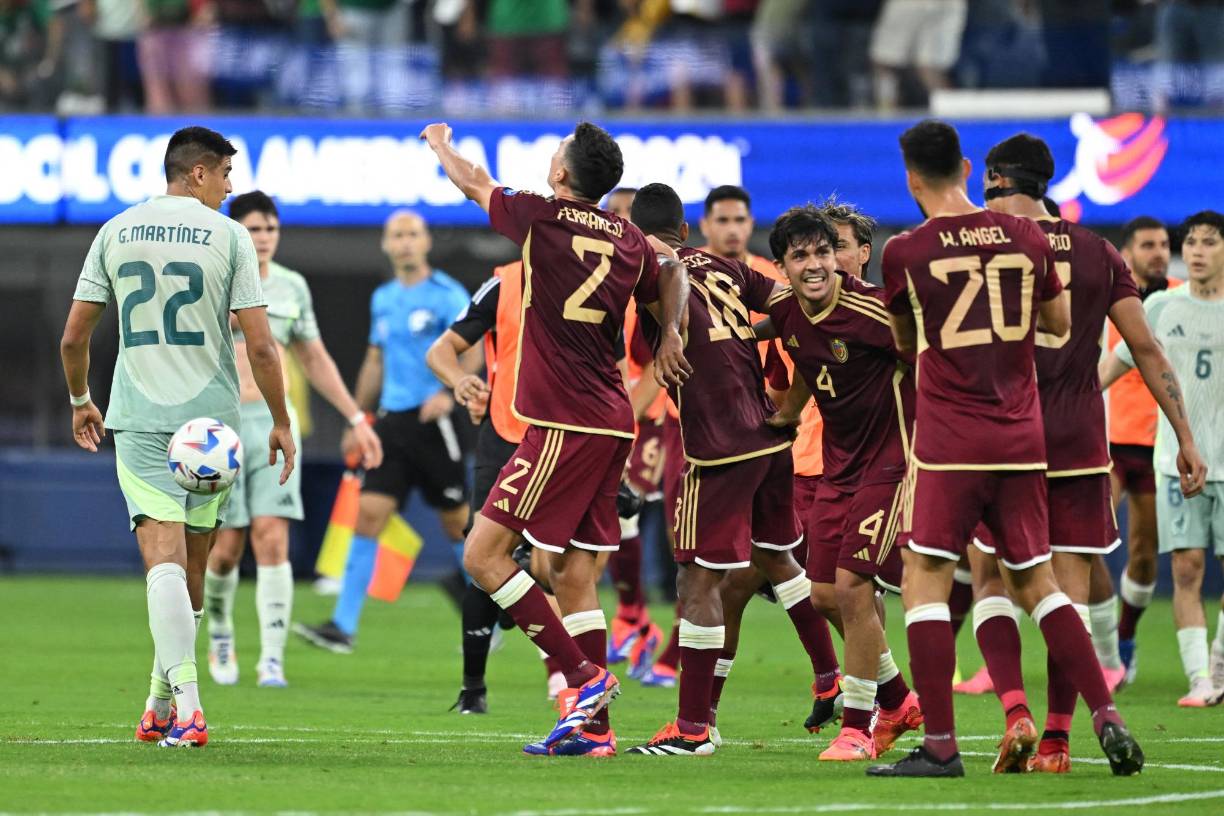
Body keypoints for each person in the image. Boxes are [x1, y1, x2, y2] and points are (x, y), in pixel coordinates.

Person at [867, 119, 1145, 779]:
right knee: (1039, 583)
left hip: (952, 441)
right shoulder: (1026, 238)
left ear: (911, 178)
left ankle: (940, 745)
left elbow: (905, 344)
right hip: (1024, 438)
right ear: (966, 168)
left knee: (926, 579)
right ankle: (1104, 715)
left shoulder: (906, 251)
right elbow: (1055, 324)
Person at [422, 121, 690, 756]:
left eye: (557, 149)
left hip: (563, 422)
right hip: (611, 421)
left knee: (483, 556)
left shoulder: (543, 219)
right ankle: (593, 733)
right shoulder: (627, 235)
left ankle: (583, 678)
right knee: (573, 572)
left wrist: (438, 146)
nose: (550, 154)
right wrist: (671, 331)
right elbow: (674, 268)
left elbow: (473, 181)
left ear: (564, 173)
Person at [974, 134, 1204, 772]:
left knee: (992, 577)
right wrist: (1185, 439)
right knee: (1067, 593)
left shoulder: (988, 244)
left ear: (996, 178)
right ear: (1048, 181)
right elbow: (1147, 352)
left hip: (1002, 434)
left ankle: (1016, 712)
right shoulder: (1101, 253)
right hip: (1078, 438)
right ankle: (1057, 741)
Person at [60, 126, 296, 747]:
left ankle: (172, 703)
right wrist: (280, 419)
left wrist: (82, 400)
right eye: (223, 175)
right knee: (192, 563)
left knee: (163, 561)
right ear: (197, 173)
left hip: (138, 418)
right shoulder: (229, 237)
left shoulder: (115, 230)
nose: (228, 187)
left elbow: (73, 337)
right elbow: (262, 346)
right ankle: (174, 707)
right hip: (213, 427)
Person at [625, 183, 821, 756]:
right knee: (780, 562)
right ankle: (852, 682)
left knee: (698, 581)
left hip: (719, 446)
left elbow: (665, 294)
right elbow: (791, 303)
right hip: (770, 434)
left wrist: (674, 330)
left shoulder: (654, 266)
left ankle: (691, 731)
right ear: (692, 228)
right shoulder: (730, 268)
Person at [758, 204, 922, 762]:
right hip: (839, 466)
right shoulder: (786, 314)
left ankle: (857, 726)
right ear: (782, 266)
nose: (815, 264)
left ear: (841, 258)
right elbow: (807, 363)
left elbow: (931, 362)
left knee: (853, 586)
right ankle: (899, 700)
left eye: (823, 252)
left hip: (893, 461)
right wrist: (788, 414)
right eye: (800, 255)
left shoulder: (875, 313)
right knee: (824, 592)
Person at [203, 191, 381, 688]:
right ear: (234, 231)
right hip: (217, 425)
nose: (263, 238)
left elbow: (314, 356)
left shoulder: (291, 287)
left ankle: (272, 658)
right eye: (254, 229)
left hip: (271, 423)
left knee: (272, 537)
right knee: (225, 547)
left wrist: (354, 416)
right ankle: (220, 630)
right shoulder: (210, 279)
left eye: (271, 229)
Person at [295, 211, 472, 654]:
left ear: (426, 241)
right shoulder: (384, 298)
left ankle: (487, 618)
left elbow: (473, 352)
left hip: (435, 423)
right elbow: (375, 361)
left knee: (458, 526)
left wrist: (450, 393)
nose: (406, 242)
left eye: (413, 234)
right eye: (398, 235)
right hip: (392, 423)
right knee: (368, 515)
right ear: (387, 245)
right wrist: (357, 416)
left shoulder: (449, 295)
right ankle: (343, 627)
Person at [1102, 210, 1224, 707]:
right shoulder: (1157, 307)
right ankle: (1196, 679)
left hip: (1212, 457)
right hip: (1166, 455)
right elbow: (1105, 371)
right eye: (1190, 242)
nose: (1194, 251)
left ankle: (1216, 667)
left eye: (1208, 243)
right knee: (1187, 567)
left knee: (1174, 560)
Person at [1108, 216, 1180, 682]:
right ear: (1127, 253)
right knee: (1083, 540)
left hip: (1159, 445)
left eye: (1163, 243)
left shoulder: (1182, 299)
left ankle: (1125, 638)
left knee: (1143, 552)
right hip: (1109, 440)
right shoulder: (1107, 297)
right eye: (1148, 244)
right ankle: (1092, 646)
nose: (1158, 252)